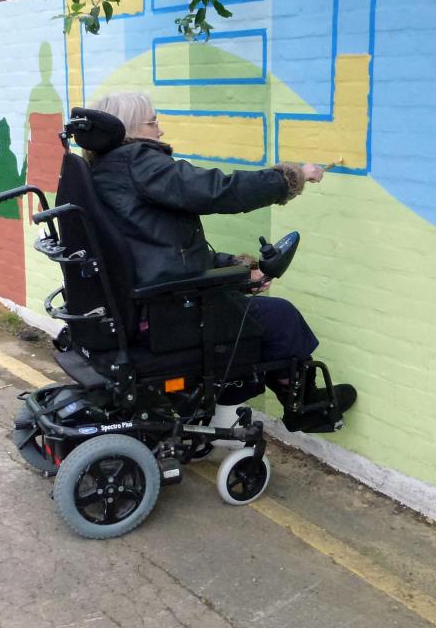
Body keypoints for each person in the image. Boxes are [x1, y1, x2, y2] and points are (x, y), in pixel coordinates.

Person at [86, 92, 356, 434]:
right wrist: (291, 177)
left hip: (138, 310)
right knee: (280, 317)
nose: (161, 131)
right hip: (166, 314)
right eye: (153, 122)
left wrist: (239, 269)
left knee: (249, 311)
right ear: (129, 128)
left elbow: (159, 250)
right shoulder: (139, 162)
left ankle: (224, 417)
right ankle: (307, 406)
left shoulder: (102, 172)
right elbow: (219, 191)